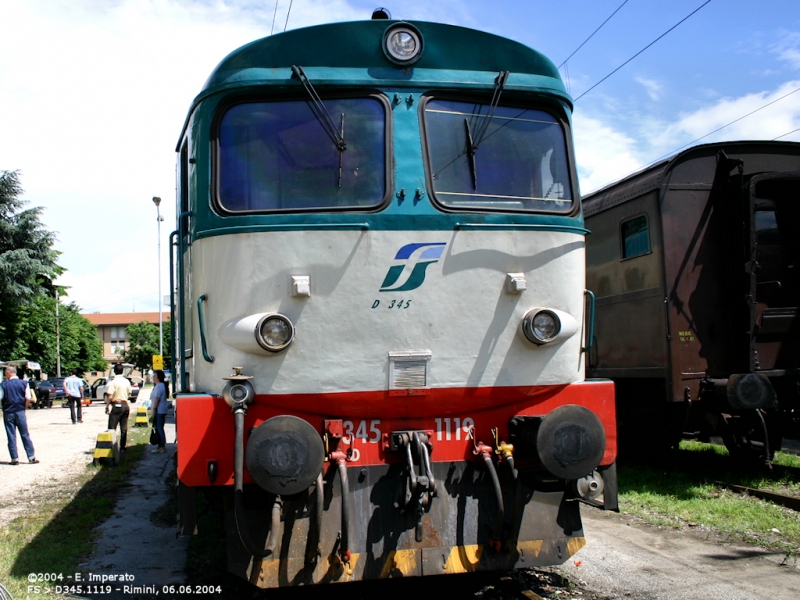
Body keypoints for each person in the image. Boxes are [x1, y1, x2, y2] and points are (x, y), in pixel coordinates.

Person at [2, 366, 39, 465]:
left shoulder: (3, 385)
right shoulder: (24, 383)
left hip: (8, 412)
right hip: (20, 411)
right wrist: (24, 408)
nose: (5, 375)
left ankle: (14, 458)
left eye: (5, 373)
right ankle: (31, 457)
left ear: (9, 373)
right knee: (25, 434)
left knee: (11, 435)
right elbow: (28, 397)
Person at [104, 364, 133, 452]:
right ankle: (123, 448)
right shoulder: (126, 381)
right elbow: (129, 394)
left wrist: (107, 406)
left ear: (114, 371)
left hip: (116, 405)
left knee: (112, 428)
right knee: (123, 428)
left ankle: (111, 447)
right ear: (122, 371)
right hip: (125, 405)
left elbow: (110, 396)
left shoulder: (113, 382)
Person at [150, 370, 168, 454]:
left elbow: (157, 398)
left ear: (158, 377)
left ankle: (161, 446)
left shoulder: (159, 386)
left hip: (159, 410)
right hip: (160, 410)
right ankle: (161, 445)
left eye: (154, 376)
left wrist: (154, 409)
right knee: (159, 427)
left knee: (159, 428)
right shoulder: (158, 385)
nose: (153, 377)